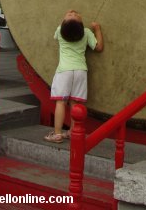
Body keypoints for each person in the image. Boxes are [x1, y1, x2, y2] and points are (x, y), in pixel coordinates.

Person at [44, 9, 104, 143]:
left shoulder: (60, 31)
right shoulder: (87, 33)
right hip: (80, 71)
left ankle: (57, 134)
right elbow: (99, 47)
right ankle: (72, 131)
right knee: (74, 103)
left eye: (73, 14)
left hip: (64, 71)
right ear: (82, 26)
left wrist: (66, 19)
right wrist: (97, 29)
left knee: (60, 102)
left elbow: (62, 30)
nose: (73, 13)